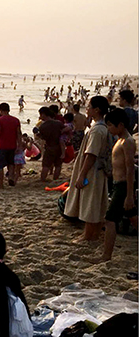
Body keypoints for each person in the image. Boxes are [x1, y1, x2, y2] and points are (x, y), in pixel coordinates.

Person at [65, 96, 113, 242]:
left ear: (96, 110)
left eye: (89, 106)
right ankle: (93, 234)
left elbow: (91, 155)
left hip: (93, 171)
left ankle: (88, 235)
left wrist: (82, 174)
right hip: (99, 169)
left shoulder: (97, 130)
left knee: (90, 202)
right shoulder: (102, 127)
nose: (87, 109)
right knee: (96, 202)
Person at [97, 108, 137, 262]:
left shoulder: (128, 142)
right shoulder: (120, 140)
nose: (108, 128)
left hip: (123, 185)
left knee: (110, 219)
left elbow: (130, 169)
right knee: (132, 217)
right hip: (117, 184)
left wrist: (129, 195)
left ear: (120, 125)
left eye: (110, 125)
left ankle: (106, 255)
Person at [0, 103, 21, 188]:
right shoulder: (16, 120)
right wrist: (19, 145)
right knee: (11, 164)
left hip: (2, 145)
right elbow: (19, 133)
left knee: (0, 166)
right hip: (12, 145)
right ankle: (10, 178)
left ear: (0, 110)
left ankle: (1, 184)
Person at [38, 107, 64, 182]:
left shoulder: (43, 126)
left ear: (43, 114)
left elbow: (43, 137)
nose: (40, 117)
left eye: (41, 115)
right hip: (59, 146)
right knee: (58, 165)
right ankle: (55, 179)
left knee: (46, 165)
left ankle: (43, 180)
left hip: (49, 146)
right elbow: (64, 131)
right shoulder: (58, 123)